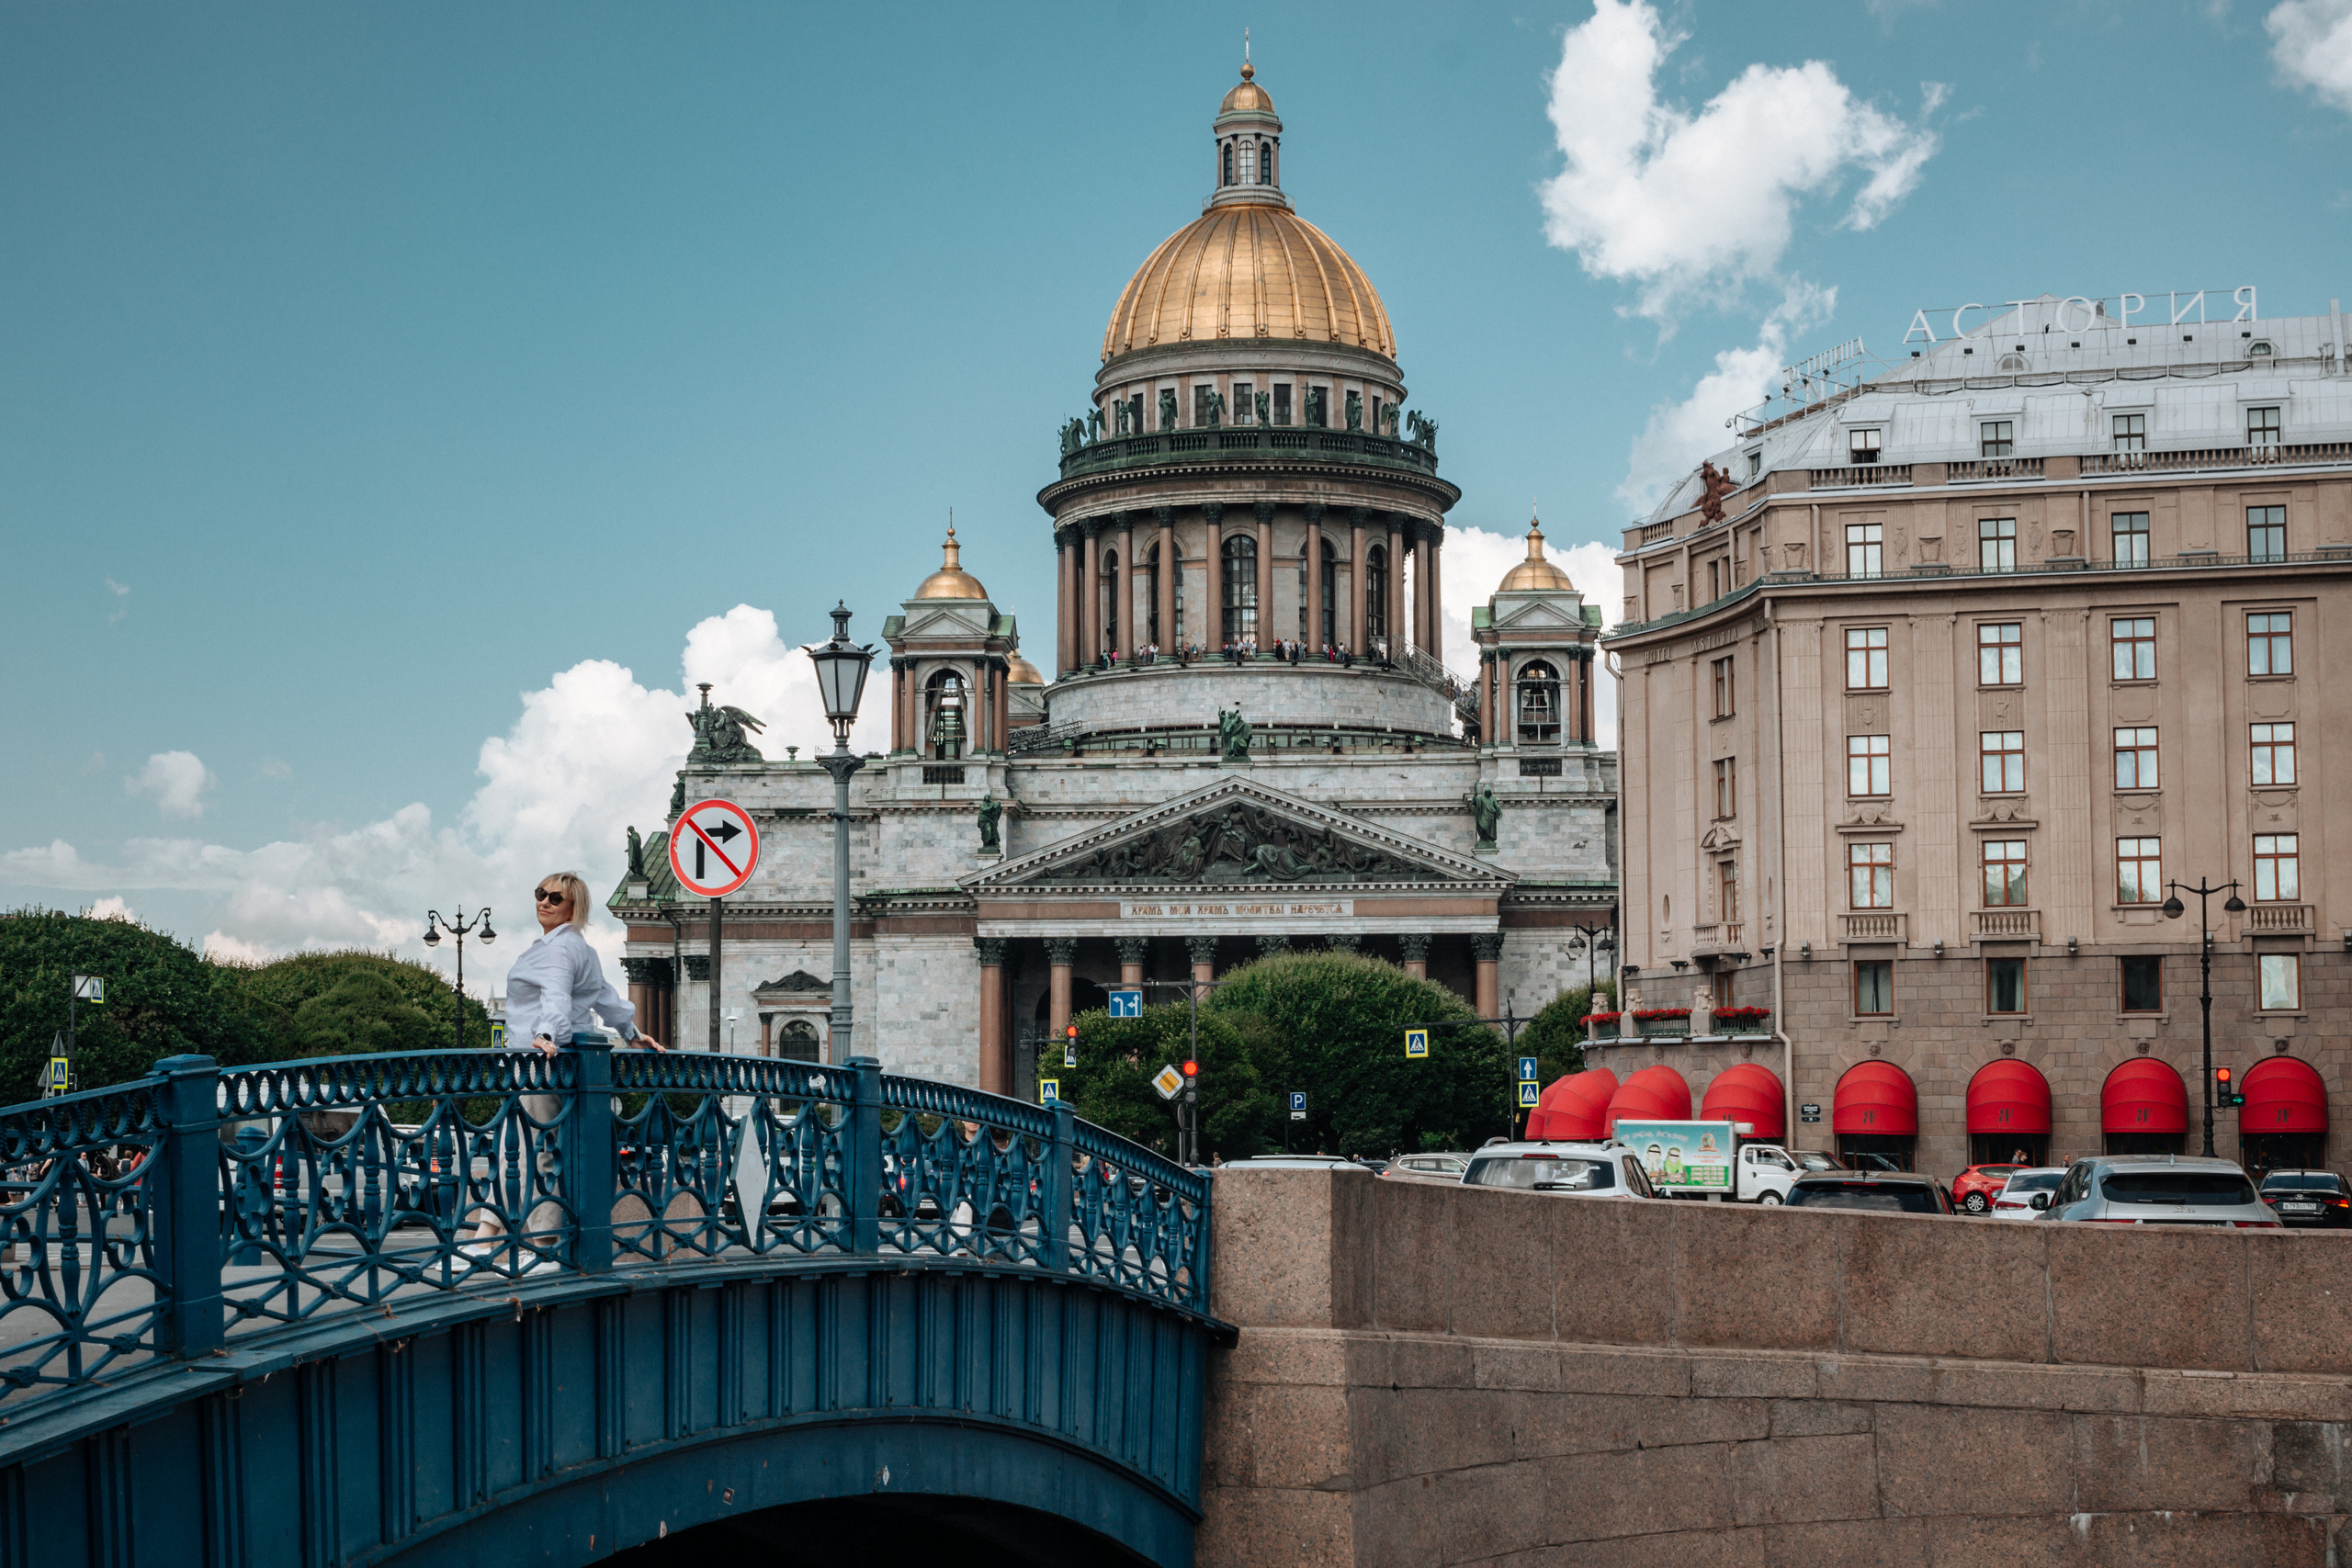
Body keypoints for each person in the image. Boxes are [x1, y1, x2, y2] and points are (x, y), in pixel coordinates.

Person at [507, 872, 663, 1056]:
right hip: (575, 1056)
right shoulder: (583, 950)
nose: (545, 902)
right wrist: (632, 1035)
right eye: (541, 894)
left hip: (538, 1058)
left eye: (556, 898)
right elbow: (605, 998)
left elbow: (557, 997)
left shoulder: (557, 949)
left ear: (574, 909)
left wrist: (545, 1035)